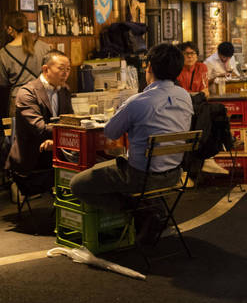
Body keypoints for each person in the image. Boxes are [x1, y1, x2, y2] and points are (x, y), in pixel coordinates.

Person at [70, 44, 193, 220]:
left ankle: (139, 211)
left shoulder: (138, 102)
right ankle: (149, 210)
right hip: (174, 174)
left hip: (141, 177)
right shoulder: (184, 96)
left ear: (149, 67)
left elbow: (111, 132)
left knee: (77, 184)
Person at [5, 51, 73, 178]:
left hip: (57, 155)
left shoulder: (64, 90)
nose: (66, 73)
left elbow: (70, 121)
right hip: (32, 160)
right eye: (61, 68)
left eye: (68, 69)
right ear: (45, 69)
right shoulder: (27, 92)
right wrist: (64, 136)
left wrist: (57, 141)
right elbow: (40, 129)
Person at [0, 11, 52, 115]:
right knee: (44, 129)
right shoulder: (44, 47)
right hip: (41, 97)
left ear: (10, 29)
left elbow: (3, 82)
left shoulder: (3, 53)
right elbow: (51, 75)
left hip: (18, 99)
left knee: (17, 131)